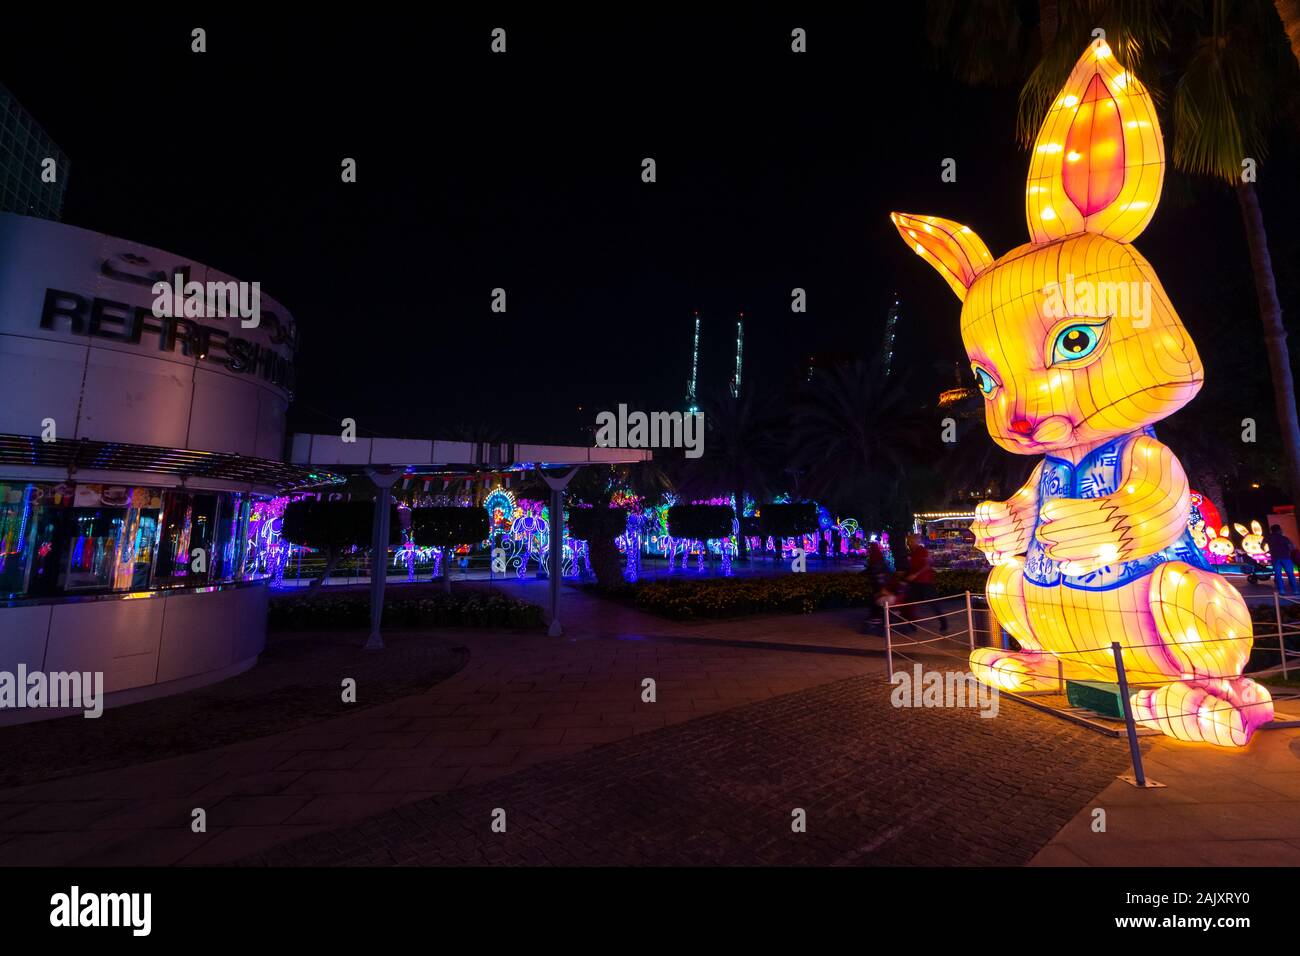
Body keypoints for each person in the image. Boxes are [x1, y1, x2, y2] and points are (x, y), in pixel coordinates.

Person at [903, 533, 946, 633]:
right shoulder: (912, 553)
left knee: (933, 604)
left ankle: (943, 623)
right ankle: (912, 625)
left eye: (910, 542)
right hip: (916, 582)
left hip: (925, 581)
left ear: (915, 541)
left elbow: (927, 565)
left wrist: (915, 574)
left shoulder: (922, 551)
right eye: (908, 542)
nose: (908, 544)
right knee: (910, 603)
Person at [1266, 524, 1299, 595]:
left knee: (1278, 575)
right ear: (1279, 530)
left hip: (1275, 558)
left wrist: (1270, 550)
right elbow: (1291, 547)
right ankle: (1296, 590)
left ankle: (1282, 591)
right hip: (1286, 557)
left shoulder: (1268, 537)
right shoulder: (1284, 538)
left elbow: (1262, 545)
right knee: (1290, 574)